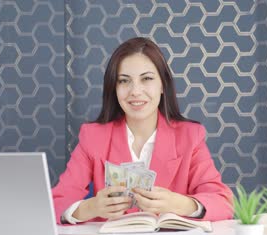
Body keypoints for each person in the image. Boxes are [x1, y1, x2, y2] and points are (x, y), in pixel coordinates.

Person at [52, 37, 233, 224]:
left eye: (146, 79)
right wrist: (90, 208)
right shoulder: (93, 137)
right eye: (124, 81)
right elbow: (57, 202)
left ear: (163, 84)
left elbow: (223, 202)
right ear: (114, 88)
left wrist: (182, 204)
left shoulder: (190, 136)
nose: (135, 91)